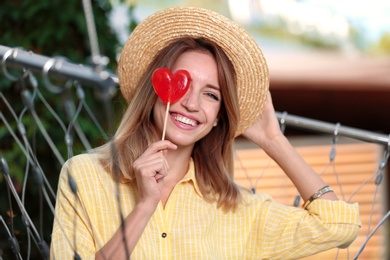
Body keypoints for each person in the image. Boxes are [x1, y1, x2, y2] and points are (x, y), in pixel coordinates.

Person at [50, 6, 361, 259]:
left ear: (217, 118)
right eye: (182, 83)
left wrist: (273, 140)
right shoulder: (84, 176)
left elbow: (338, 225)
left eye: (211, 95)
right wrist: (145, 205)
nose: (192, 104)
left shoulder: (236, 209)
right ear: (155, 91)